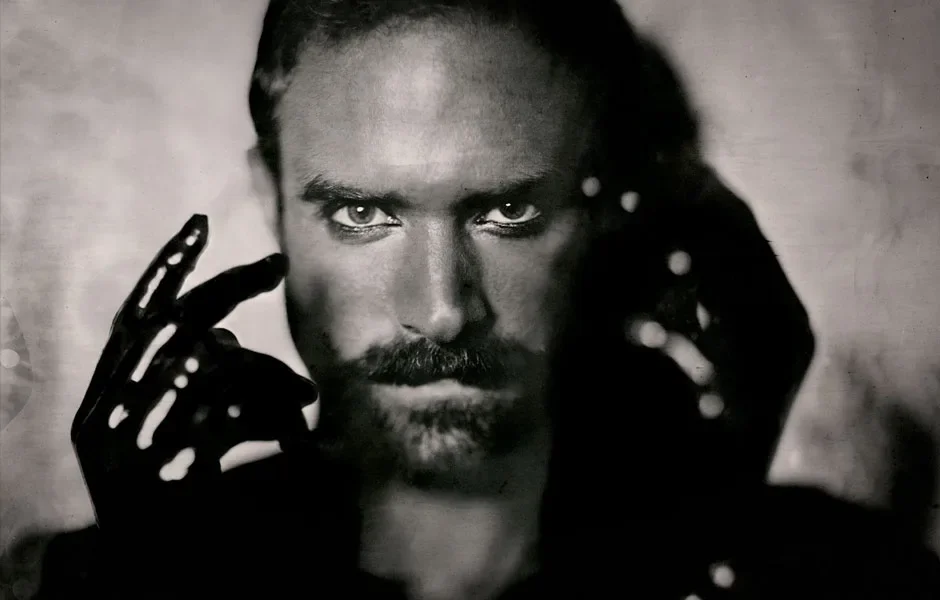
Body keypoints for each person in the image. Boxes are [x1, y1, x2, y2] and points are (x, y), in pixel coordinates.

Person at [7, 1, 939, 598]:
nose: (443, 310)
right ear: (271, 199)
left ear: (611, 206)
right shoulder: (85, 578)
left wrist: (712, 546)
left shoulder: (840, 576)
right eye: (364, 212)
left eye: (504, 210)